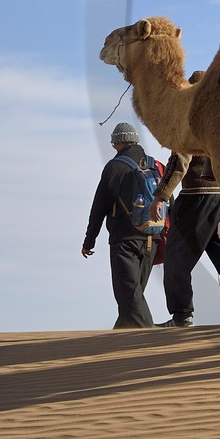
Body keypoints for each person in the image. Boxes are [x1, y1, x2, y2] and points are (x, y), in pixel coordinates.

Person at [81, 122, 162, 329]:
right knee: (133, 296)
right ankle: (121, 336)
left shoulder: (114, 167)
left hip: (125, 239)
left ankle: (152, 337)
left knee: (128, 294)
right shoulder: (156, 165)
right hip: (152, 238)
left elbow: (99, 207)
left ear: (117, 143)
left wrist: (89, 240)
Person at [154, 152, 220, 328]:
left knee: (175, 259)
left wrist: (161, 195)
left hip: (196, 196)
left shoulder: (190, 124)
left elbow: (180, 158)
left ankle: (182, 315)